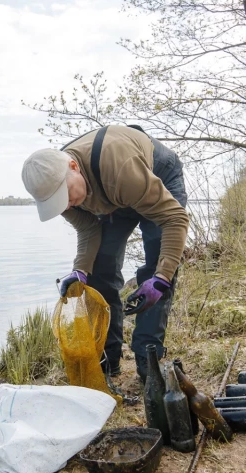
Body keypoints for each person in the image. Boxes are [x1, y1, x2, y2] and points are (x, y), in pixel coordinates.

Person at [21, 124, 189, 382]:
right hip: (113, 195)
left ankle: (148, 359)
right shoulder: (60, 193)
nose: (65, 205)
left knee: (158, 264)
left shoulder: (120, 169)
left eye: (65, 195)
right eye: (57, 203)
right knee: (100, 269)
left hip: (154, 176)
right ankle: (108, 360)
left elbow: (175, 219)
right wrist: (80, 269)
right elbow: (89, 229)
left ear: (74, 167)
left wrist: (162, 278)